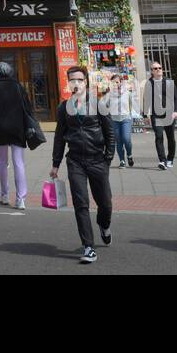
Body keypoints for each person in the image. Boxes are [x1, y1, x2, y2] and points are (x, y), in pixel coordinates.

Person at [50, 66, 115, 264]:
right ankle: (88, 247)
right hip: (75, 161)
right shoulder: (64, 108)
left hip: (98, 160)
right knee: (81, 204)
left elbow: (110, 133)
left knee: (105, 204)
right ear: (68, 83)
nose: (75, 83)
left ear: (85, 82)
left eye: (79, 79)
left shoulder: (99, 104)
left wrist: (107, 159)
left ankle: (104, 225)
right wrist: (55, 163)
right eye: (72, 80)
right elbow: (59, 137)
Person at [0, 62, 29, 210]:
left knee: (2, 163)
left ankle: (4, 195)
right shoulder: (18, 87)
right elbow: (27, 108)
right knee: (19, 163)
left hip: (0, 128)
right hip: (18, 128)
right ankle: (20, 199)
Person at [141, 61, 177, 169]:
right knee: (159, 136)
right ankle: (162, 161)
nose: (158, 69)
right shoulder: (149, 83)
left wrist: (176, 111)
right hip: (156, 114)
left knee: (170, 137)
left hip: (169, 114)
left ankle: (170, 159)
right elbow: (147, 100)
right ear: (152, 71)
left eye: (160, 68)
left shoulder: (168, 82)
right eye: (155, 68)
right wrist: (145, 116)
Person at [106, 73, 138, 168]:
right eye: (113, 82)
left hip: (126, 119)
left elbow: (133, 104)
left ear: (121, 82)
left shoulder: (127, 93)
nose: (115, 84)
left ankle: (129, 154)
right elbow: (105, 105)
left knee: (126, 139)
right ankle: (122, 161)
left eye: (117, 82)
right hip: (114, 120)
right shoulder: (110, 94)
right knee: (118, 141)